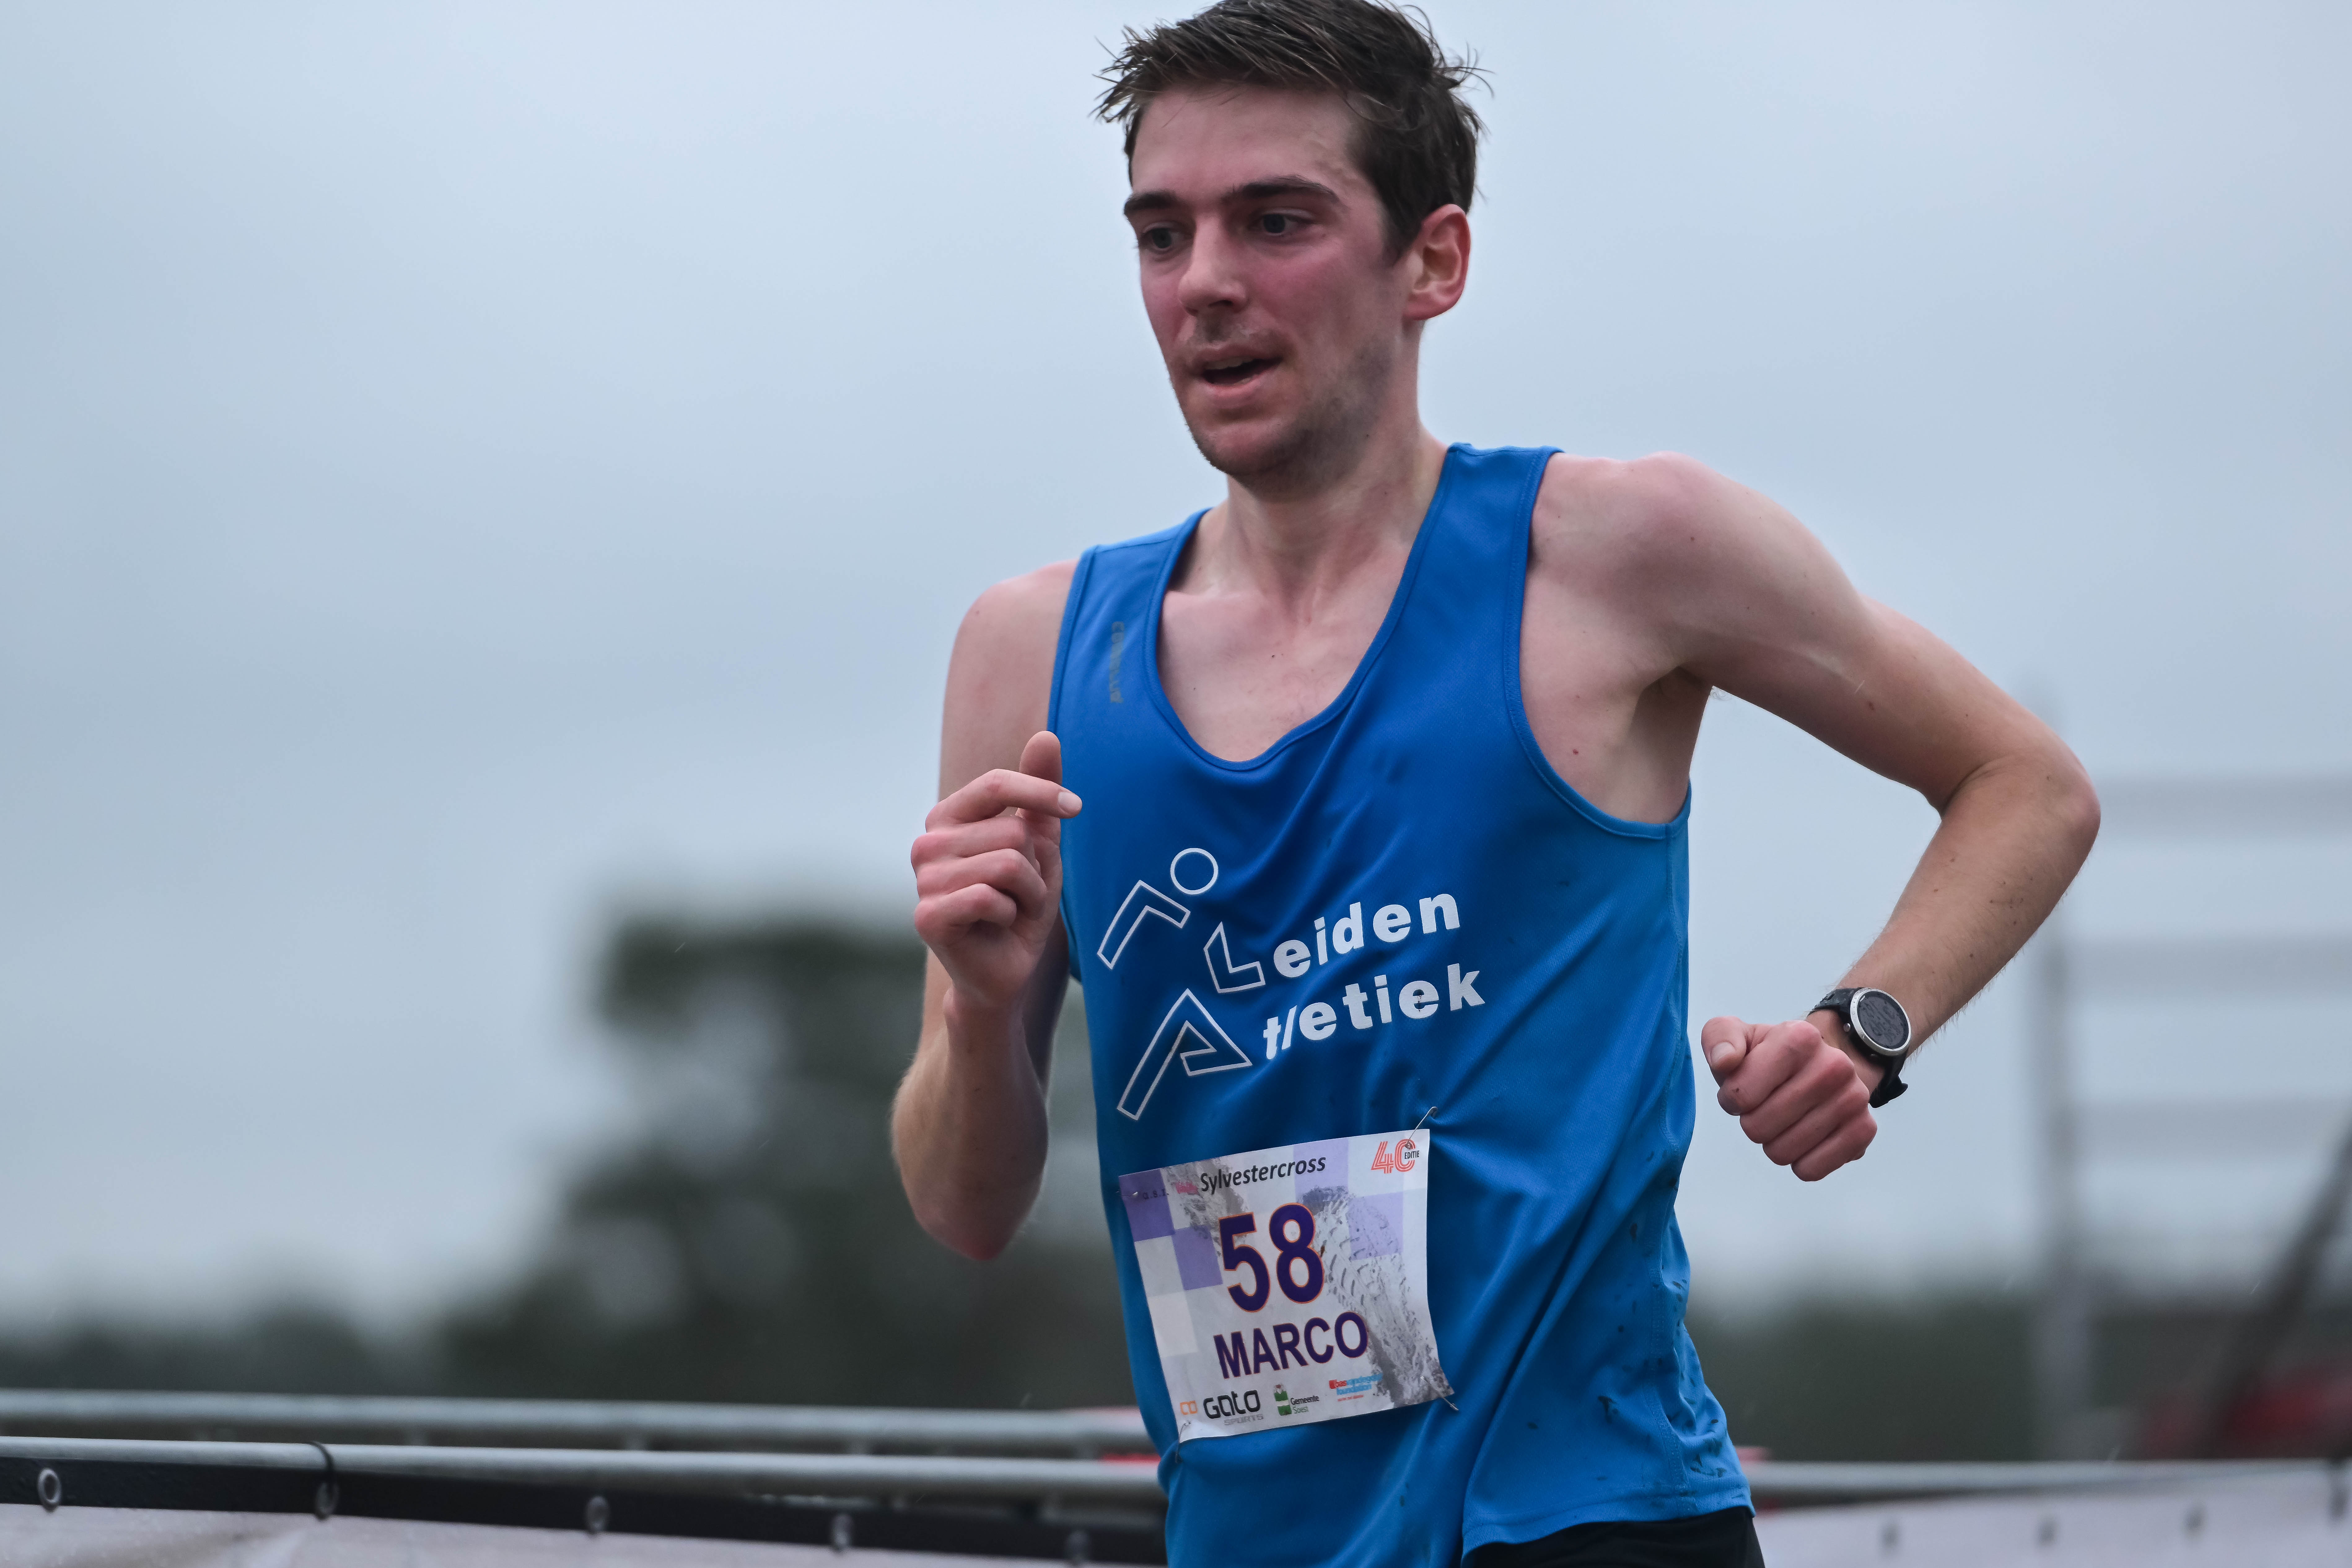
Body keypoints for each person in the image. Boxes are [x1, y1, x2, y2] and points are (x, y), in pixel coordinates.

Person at [891, 2, 2099, 1563]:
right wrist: (979, 1013)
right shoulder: (1036, 656)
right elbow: (963, 1208)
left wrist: (1865, 1028)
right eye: (1162, 233)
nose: (1206, 283)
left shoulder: (1621, 552)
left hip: (1588, 1513)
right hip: (1253, 1536)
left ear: (1434, 262)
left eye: (1277, 222)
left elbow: (2024, 780)